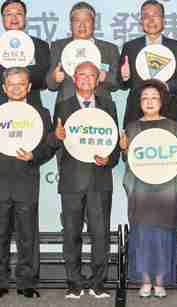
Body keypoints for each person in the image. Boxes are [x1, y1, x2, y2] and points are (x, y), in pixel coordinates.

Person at [0, 67, 55, 299]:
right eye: (11, 84)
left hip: (26, 180)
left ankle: (27, 282)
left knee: (27, 235)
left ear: (29, 87)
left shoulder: (41, 113)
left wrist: (34, 155)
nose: (16, 88)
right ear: (4, 87)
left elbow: (50, 146)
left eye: (21, 84)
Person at [51, 61, 121, 300]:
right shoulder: (63, 106)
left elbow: (114, 144)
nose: (86, 79)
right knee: (71, 233)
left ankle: (98, 282)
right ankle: (74, 282)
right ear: (74, 78)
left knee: (100, 234)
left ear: (98, 79)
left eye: (91, 75)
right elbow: (55, 142)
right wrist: (56, 136)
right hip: (71, 180)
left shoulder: (109, 106)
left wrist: (109, 158)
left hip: (100, 180)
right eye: (81, 75)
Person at [119, 80, 177, 298]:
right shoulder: (131, 127)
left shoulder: (172, 126)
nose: (149, 102)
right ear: (139, 102)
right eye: (145, 98)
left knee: (163, 235)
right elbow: (128, 160)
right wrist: (124, 150)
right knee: (142, 234)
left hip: (166, 190)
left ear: (162, 101)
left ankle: (160, 281)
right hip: (141, 190)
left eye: (154, 98)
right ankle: (145, 280)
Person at [119, 0, 177, 127]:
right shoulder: (130, 47)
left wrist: (166, 87)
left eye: (156, 15)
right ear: (141, 21)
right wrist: (125, 77)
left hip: (169, 109)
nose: (151, 20)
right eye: (146, 16)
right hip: (136, 111)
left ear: (163, 20)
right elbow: (122, 84)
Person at [47, 1, 120, 104]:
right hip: (66, 106)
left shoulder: (110, 49)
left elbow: (117, 83)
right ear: (70, 25)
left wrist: (105, 77)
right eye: (77, 21)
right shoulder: (58, 47)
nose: (82, 25)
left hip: (101, 106)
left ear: (94, 24)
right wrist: (55, 78)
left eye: (87, 21)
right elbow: (50, 85)